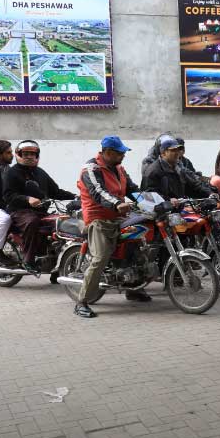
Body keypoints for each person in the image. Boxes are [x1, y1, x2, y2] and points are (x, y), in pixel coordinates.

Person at [74, 136, 149, 318]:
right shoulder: (91, 169)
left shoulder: (119, 168)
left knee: (136, 246)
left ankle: (132, 288)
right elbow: (98, 191)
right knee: (100, 258)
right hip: (98, 219)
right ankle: (81, 302)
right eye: (120, 153)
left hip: (119, 216)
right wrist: (116, 203)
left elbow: (132, 189)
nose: (123, 156)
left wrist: (151, 201)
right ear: (107, 152)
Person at [2, 140, 76, 274]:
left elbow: (55, 191)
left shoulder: (40, 172)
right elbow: (8, 195)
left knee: (62, 223)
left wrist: (76, 197)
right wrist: (27, 199)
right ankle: (28, 259)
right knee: (32, 222)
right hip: (20, 212)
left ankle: (57, 264)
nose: (29, 157)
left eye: (32, 154)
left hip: (41, 211)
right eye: (26, 154)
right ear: (19, 155)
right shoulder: (12, 173)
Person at [142, 136, 215, 199]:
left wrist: (210, 193)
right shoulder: (153, 171)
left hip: (179, 208)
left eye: (178, 150)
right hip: (162, 210)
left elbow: (193, 185)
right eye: (173, 150)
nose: (177, 153)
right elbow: (149, 195)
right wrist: (169, 200)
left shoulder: (179, 169)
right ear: (163, 153)